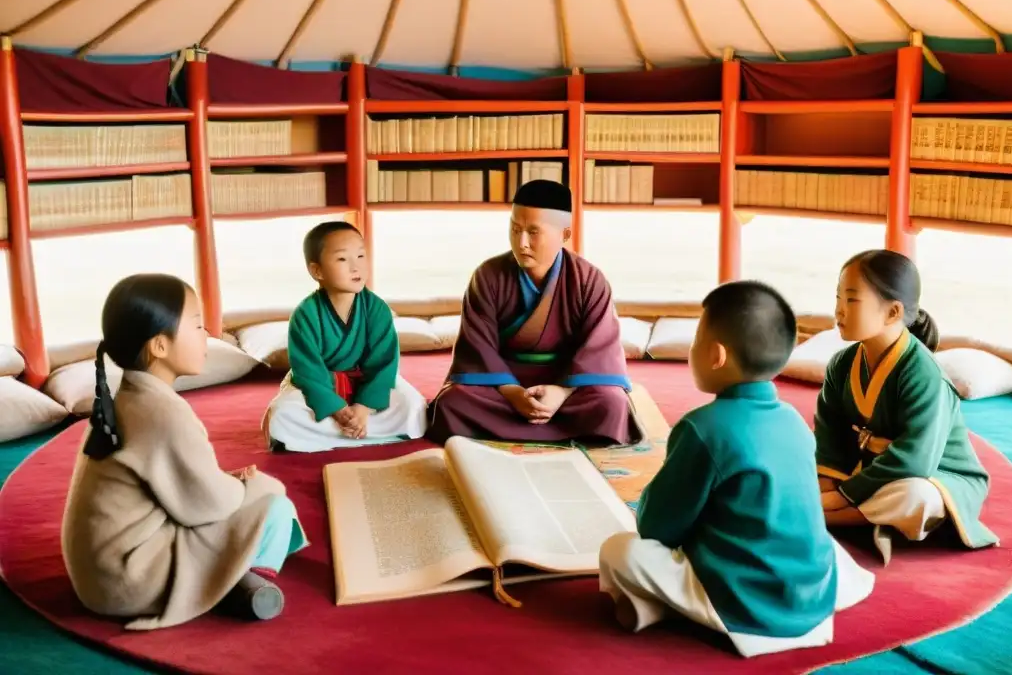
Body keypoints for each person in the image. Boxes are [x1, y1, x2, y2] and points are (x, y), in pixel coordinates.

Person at [599, 281, 875, 657]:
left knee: (621, 552)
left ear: (716, 355)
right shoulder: (794, 420)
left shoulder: (703, 427)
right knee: (825, 549)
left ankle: (666, 610)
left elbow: (656, 528)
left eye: (697, 339)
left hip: (745, 599)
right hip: (808, 598)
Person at [62, 274, 307, 630]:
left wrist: (230, 483)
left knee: (248, 492)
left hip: (99, 576)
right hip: (129, 579)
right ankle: (242, 581)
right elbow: (209, 505)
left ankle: (237, 578)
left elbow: (180, 488)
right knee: (275, 506)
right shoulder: (162, 413)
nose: (207, 333)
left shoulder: (130, 398)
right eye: (195, 325)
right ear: (159, 346)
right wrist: (256, 486)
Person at [816, 249, 998, 564]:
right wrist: (824, 485)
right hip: (866, 469)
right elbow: (828, 436)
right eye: (837, 299)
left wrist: (835, 498)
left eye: (852, 300)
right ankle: (851, 512)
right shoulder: (841, 364)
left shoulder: (923, 373)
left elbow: (915, 460)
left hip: (935, 475)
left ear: (892, 312)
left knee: (916, 497)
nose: (839, 311)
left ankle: (827, 518)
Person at [427, 179, 636, 445]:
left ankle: (536, 417)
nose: (522, 242)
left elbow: (598, 348)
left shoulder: (588, 280)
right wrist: (513, 392)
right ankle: (557, 427)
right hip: (502, 382)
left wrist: (562, 392)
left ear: (565, 234)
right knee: (453, 403)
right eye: (515, 229)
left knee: (611, 405)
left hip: (568, 381)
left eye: (533, 232)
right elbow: (478, 348)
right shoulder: (488, 276)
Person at [263, 221, 427, 452]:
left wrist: (362, 408)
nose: (355, 267)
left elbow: (384, 365)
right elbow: (308, 372)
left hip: (366, 381)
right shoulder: (305, 314)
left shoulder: (377, 309)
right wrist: (338, 410)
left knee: (413, 406)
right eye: (342, 259)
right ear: (317, 270)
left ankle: (333, 434)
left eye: (361, 256)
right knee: (284, 413)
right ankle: (359, 431)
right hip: (322, 384)